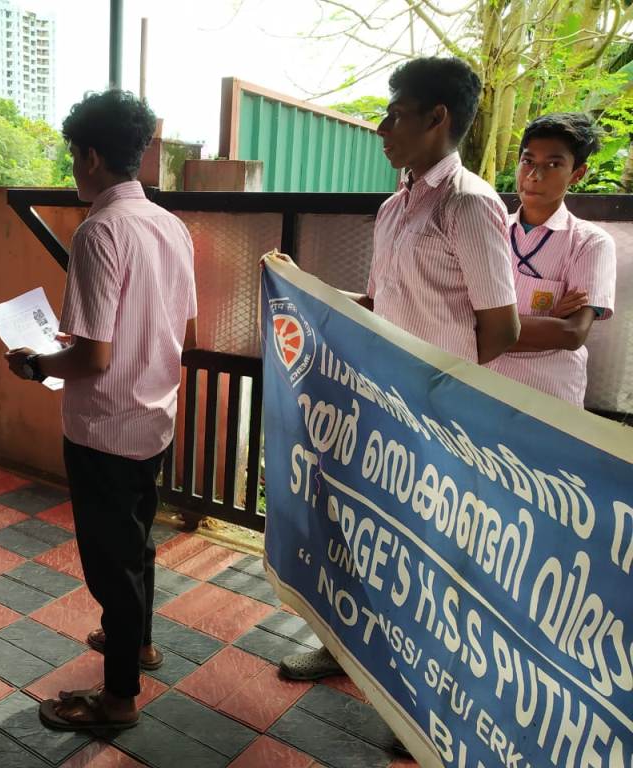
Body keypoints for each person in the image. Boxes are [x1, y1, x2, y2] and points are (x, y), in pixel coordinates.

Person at [280, 57, 520, 683]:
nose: (382, 128)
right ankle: (344, 646)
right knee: (362, 530)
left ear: (438, 117)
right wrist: (302, 288)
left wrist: (434, 385)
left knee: (426, 553)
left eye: (395, 114)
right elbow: (378, 304)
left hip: (437, 421)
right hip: (376, 405)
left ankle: (416, 686)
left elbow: (502, 328)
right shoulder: (395, 208)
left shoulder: (470, 204)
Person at [6, 90, 197, 732]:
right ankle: (138, 644)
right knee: (136, 541)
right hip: (155, 416)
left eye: (72, 156)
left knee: (110, 566)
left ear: (90, 156)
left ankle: (118, 700)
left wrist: (37, 364)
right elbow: (179, 330)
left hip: (104, 428)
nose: (73, 169)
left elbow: (91, 358)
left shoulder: (99, 231)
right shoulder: (170, 226)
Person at [487, 113, 617, 405]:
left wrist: (485, 326)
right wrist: (547, 323)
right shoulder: (489, 230)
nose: (534, 175)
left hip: (545, 399)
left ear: (577, 174)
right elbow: (455, 313)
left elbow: (572, 334)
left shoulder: (590, 243)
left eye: (553, 164)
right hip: (478, 386)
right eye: (528, 161)